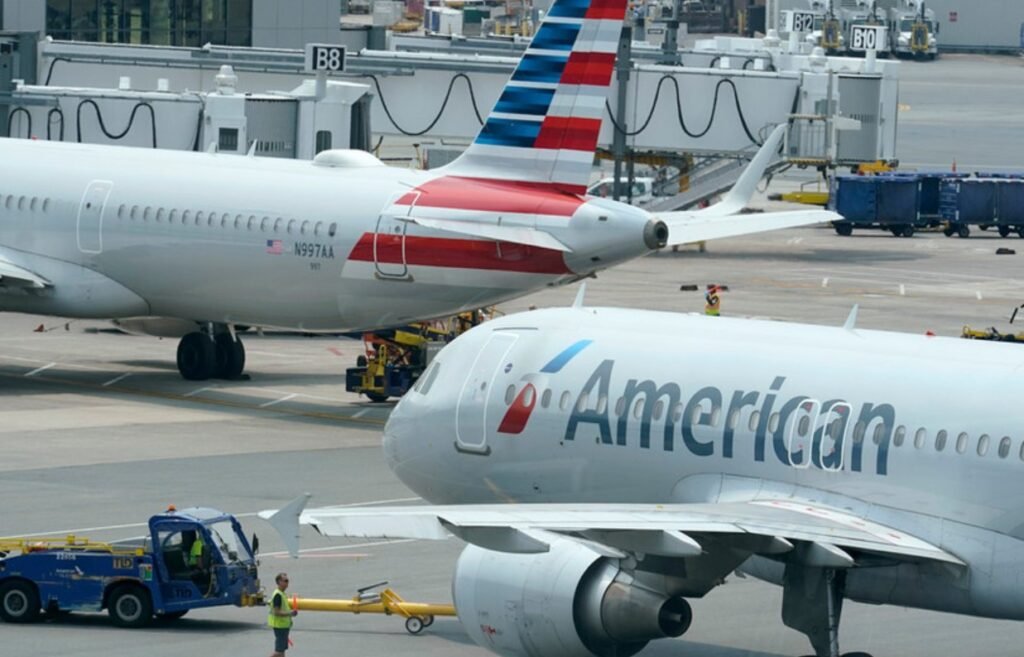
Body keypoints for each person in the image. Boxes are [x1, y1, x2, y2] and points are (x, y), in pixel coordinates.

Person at [268, 573, 297, 657]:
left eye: (288, 581)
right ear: (279, 582)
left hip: (283, 626)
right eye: (285, 581)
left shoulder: (282, 593)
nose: (287, 583)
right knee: (279, 652)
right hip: (280, 626)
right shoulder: (278, 595)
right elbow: (277, 612)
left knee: (282, 651)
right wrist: (290, 613)